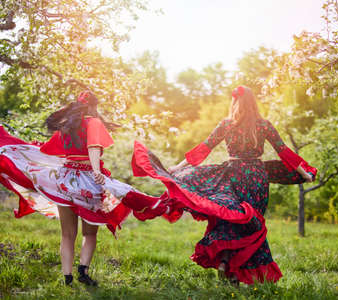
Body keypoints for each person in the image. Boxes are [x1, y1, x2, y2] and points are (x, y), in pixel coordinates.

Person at [0, 90, 168, 286]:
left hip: (64, 181)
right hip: (88, 182)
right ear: (93, 106)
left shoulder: (67, 126)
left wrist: (29, 148)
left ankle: (67, 278)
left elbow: (47, 150)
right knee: (89, 233)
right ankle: (83, 271)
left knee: (67, 234)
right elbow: (93, 147)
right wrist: (96, 169)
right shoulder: (94, 123)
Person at [131, 86, 316, 286]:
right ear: (254, 102)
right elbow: (284, 151)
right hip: (256, 177)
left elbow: (205, 147)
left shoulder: (227, 124)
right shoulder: (264, 125)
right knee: (252, 223)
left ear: (235, 102)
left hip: (233, 174)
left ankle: (228, 262)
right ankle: (247, 274)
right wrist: (304, 173)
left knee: (230, 218)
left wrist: (177, 167)